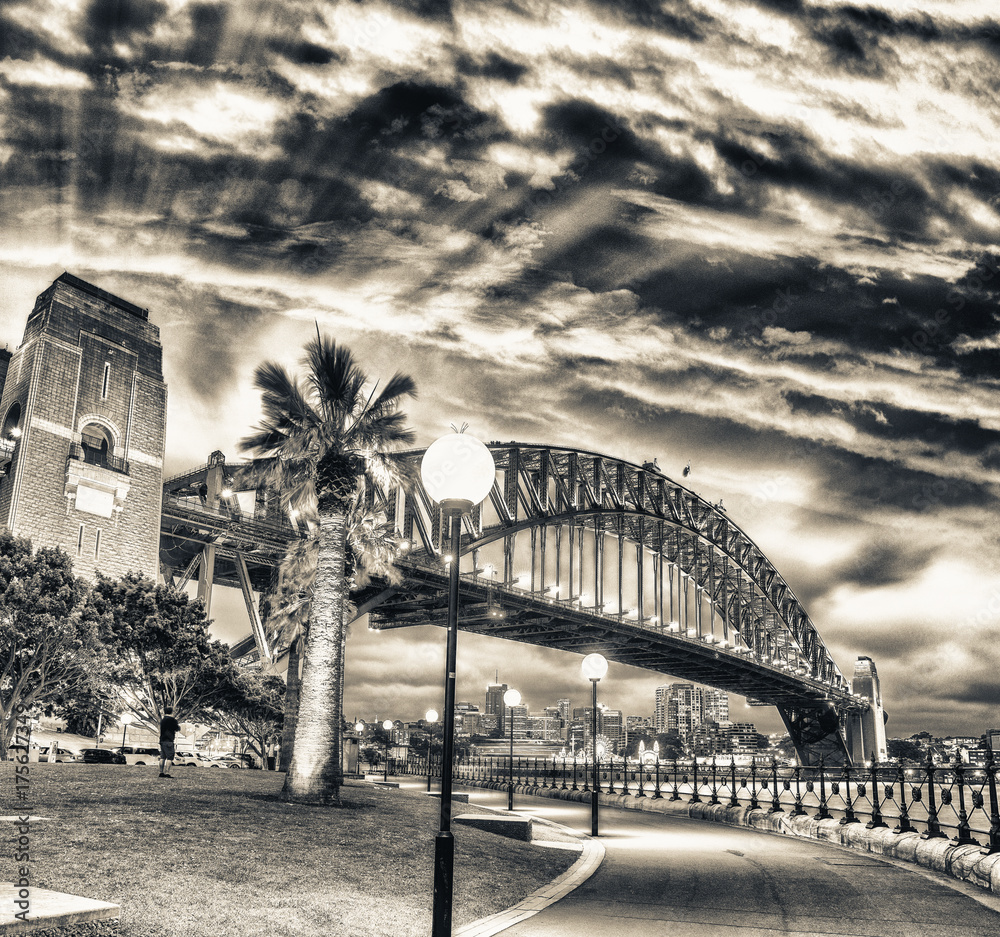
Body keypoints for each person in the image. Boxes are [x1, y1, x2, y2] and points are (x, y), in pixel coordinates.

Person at [158, 707, 180, 778]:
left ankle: (161, 772)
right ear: (172, 712)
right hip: (169, 740)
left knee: (162, 757)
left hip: (162, 740)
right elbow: (177, 728)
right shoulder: (172, 720)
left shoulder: (163, 720)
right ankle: (167, 772)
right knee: (170, 757)